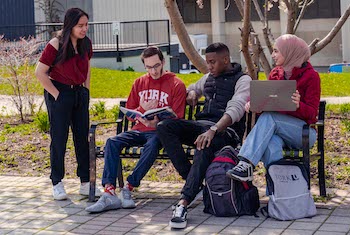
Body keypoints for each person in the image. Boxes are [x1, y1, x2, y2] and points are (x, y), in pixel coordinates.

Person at [157, 43, 252, 229]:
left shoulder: (243, 80)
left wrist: (214, 129)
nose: (209, 66)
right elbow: (194, 87)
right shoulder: (209, 77)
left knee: (204, 143)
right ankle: (192, 181)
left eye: (213, 62)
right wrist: (192, 92)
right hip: (202, 127)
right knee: (164, 127)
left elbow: (237, 108)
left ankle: (183, 203)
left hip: (226, 133)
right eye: (207, 62)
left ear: (225, 60)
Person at [85, 46, 187, 213]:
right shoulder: (139, 82)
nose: (153, 71)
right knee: (111, 141)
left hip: (158, 133)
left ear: (163, 62)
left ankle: (129, 186)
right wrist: (142, 108)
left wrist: (156, 123)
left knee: (153, 145)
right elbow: (131, 112)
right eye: (148, 67)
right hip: (138, 130)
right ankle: (109, 192)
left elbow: (178, 118)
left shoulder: (176, 84)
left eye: (156, 66)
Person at [226, 34, 321, 183]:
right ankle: (277, 198)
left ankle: (246, 162)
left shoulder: (311, 77)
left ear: (290, 52)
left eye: (277, 51)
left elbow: (311, 115)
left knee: (270, 118)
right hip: (276, 131)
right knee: (271, 146)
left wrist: (298, 106)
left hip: (303, 133)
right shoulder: (276, 73)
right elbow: (268, 100)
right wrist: (254, 104)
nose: (273, 55)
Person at [35, 8, 98, 200]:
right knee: (59, 139)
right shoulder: (56, 44)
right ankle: (57, 182)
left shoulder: (86, 43)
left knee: (82, 138)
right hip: (59, 93)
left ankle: (85, 182)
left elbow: (87, 69)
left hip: (79, 93)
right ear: (70, 25)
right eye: (80, 26)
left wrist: (86, 91)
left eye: (86, 25)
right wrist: (56, 95)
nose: (84, 29)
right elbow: (40, 72)